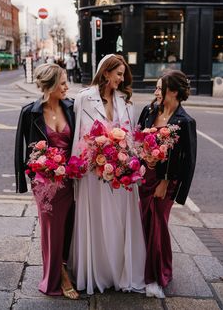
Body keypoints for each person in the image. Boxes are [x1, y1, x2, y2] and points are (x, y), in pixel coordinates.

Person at [67, 54, 146, 294]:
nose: (122, 79)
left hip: (120, 175)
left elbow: (130, 138)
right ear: (106, 73)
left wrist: (129, 163)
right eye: (119, 74)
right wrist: (79, 169)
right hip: (93, 174)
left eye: (124, 75)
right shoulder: (83, 99)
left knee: (120, 221)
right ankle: (98, 271)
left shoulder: (126, 102)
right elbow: (78, 138)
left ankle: (119, 271)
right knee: (97, 221)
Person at [14, 63, 79, 299]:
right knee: (51, 230)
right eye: (62, 83)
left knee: (70, 227)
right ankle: (57, 276)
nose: (67, 86)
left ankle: (65, 265)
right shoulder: (29, 112)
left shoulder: (72, 108)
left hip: (71, 179)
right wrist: (26, 180)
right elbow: (22, 149)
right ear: (50, 86)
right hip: (45, 183)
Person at [138, 69, 197, 298]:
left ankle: (157, 275)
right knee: (143, 224)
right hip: (144, 179)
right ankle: (143, 267)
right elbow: (138, 139)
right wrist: (141, 159)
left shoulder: (185, 121)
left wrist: (167, 184)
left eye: (160, 88)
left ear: (172, 91)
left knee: (158, 226)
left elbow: (188, 162)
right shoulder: (149, 110)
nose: (156, 92)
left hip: (165, 185)